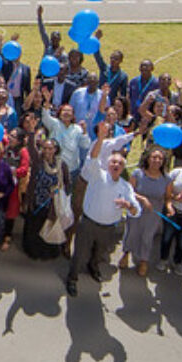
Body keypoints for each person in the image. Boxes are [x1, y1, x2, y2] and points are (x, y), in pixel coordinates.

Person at [64, 124, 141, 296]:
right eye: (113, 162)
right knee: (80, 253)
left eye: (120, 163)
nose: (116, 165)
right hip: (88, 224)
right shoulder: (97, 175)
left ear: (123, 168)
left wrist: (129, 206)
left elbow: (136, 210)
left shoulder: (125, 186)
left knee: (99, 253)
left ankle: (93, 268)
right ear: (107, 164)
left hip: (108, 228)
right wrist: (100, 138)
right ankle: (72, 278)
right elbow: (93, 157)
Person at [119, 146, 169, 277]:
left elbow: (168, 197)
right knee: (131, 232)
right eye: (154, 157)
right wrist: (142, 199)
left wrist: (170, 207)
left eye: (160, 158)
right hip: (136, 209)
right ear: (147, 158)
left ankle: (143, 260)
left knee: (147, 236)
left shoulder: (166, 179)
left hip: (153, 213)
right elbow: (129, 191)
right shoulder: (138, 173)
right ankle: (126, 253)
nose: (157, 160)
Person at [22, 138, 69, 261]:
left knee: (48, 227)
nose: (47, 151)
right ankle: (33, 252)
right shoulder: (38, 163)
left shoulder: (61, 165)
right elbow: (32, 182)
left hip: (52, 204)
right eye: (45, 148)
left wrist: (58, 192)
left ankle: (46, 253)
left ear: (55, 149)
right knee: (34, 228)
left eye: (50, 148)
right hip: (37, 200)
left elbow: (67, 183)